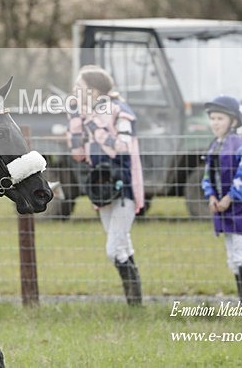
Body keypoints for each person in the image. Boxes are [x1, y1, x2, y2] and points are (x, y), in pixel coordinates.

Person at [67, 65, 145, 305]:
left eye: (79, 87)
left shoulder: (120, 111)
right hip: (101, 188)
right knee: (123, 245)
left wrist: (94, 126)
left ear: (94, 90)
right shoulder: (88, 114)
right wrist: (75, 121)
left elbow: (121, 146)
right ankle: (136, 304)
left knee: (114, 249)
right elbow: (79, 154)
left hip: (124, 187)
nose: (75, 91)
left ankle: (135, 301)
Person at [201, 95, 242, 311]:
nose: (215, 123)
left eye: (220, 118)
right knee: (233, 259)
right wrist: (211, 195)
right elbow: (208, 175)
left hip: (241, 211)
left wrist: (230, 197)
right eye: (212, 118)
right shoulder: (215, 146)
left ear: (234, 122)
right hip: (224, 210)